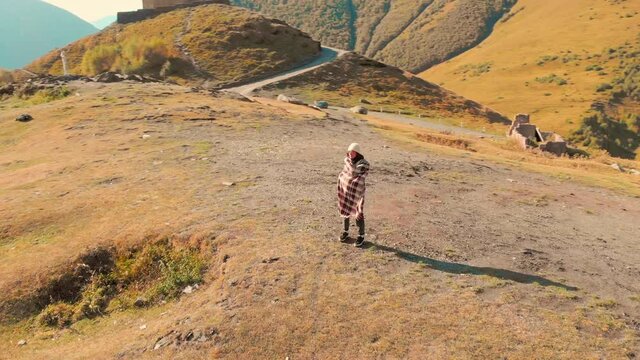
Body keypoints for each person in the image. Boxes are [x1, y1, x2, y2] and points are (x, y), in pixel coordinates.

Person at [337, 143, 370, 247]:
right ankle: (345, 231)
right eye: (349, 152)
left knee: (358, 212)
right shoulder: (347, 161)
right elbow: (344, 174)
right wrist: (343, 181)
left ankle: (361, 235)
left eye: (353, 152)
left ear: (358, 153)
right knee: (345, 210)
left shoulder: (363, 165)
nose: (351, 154)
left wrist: (351, 182)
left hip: (357, 192)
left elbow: (360, 179)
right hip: (346, 191)